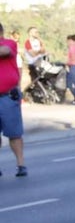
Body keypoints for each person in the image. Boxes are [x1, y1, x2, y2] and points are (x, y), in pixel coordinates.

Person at [0, 22, 29, 177]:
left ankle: (21, 164)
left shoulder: (9, 43)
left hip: (7, 97)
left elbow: (4, 51)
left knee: (14, 133)